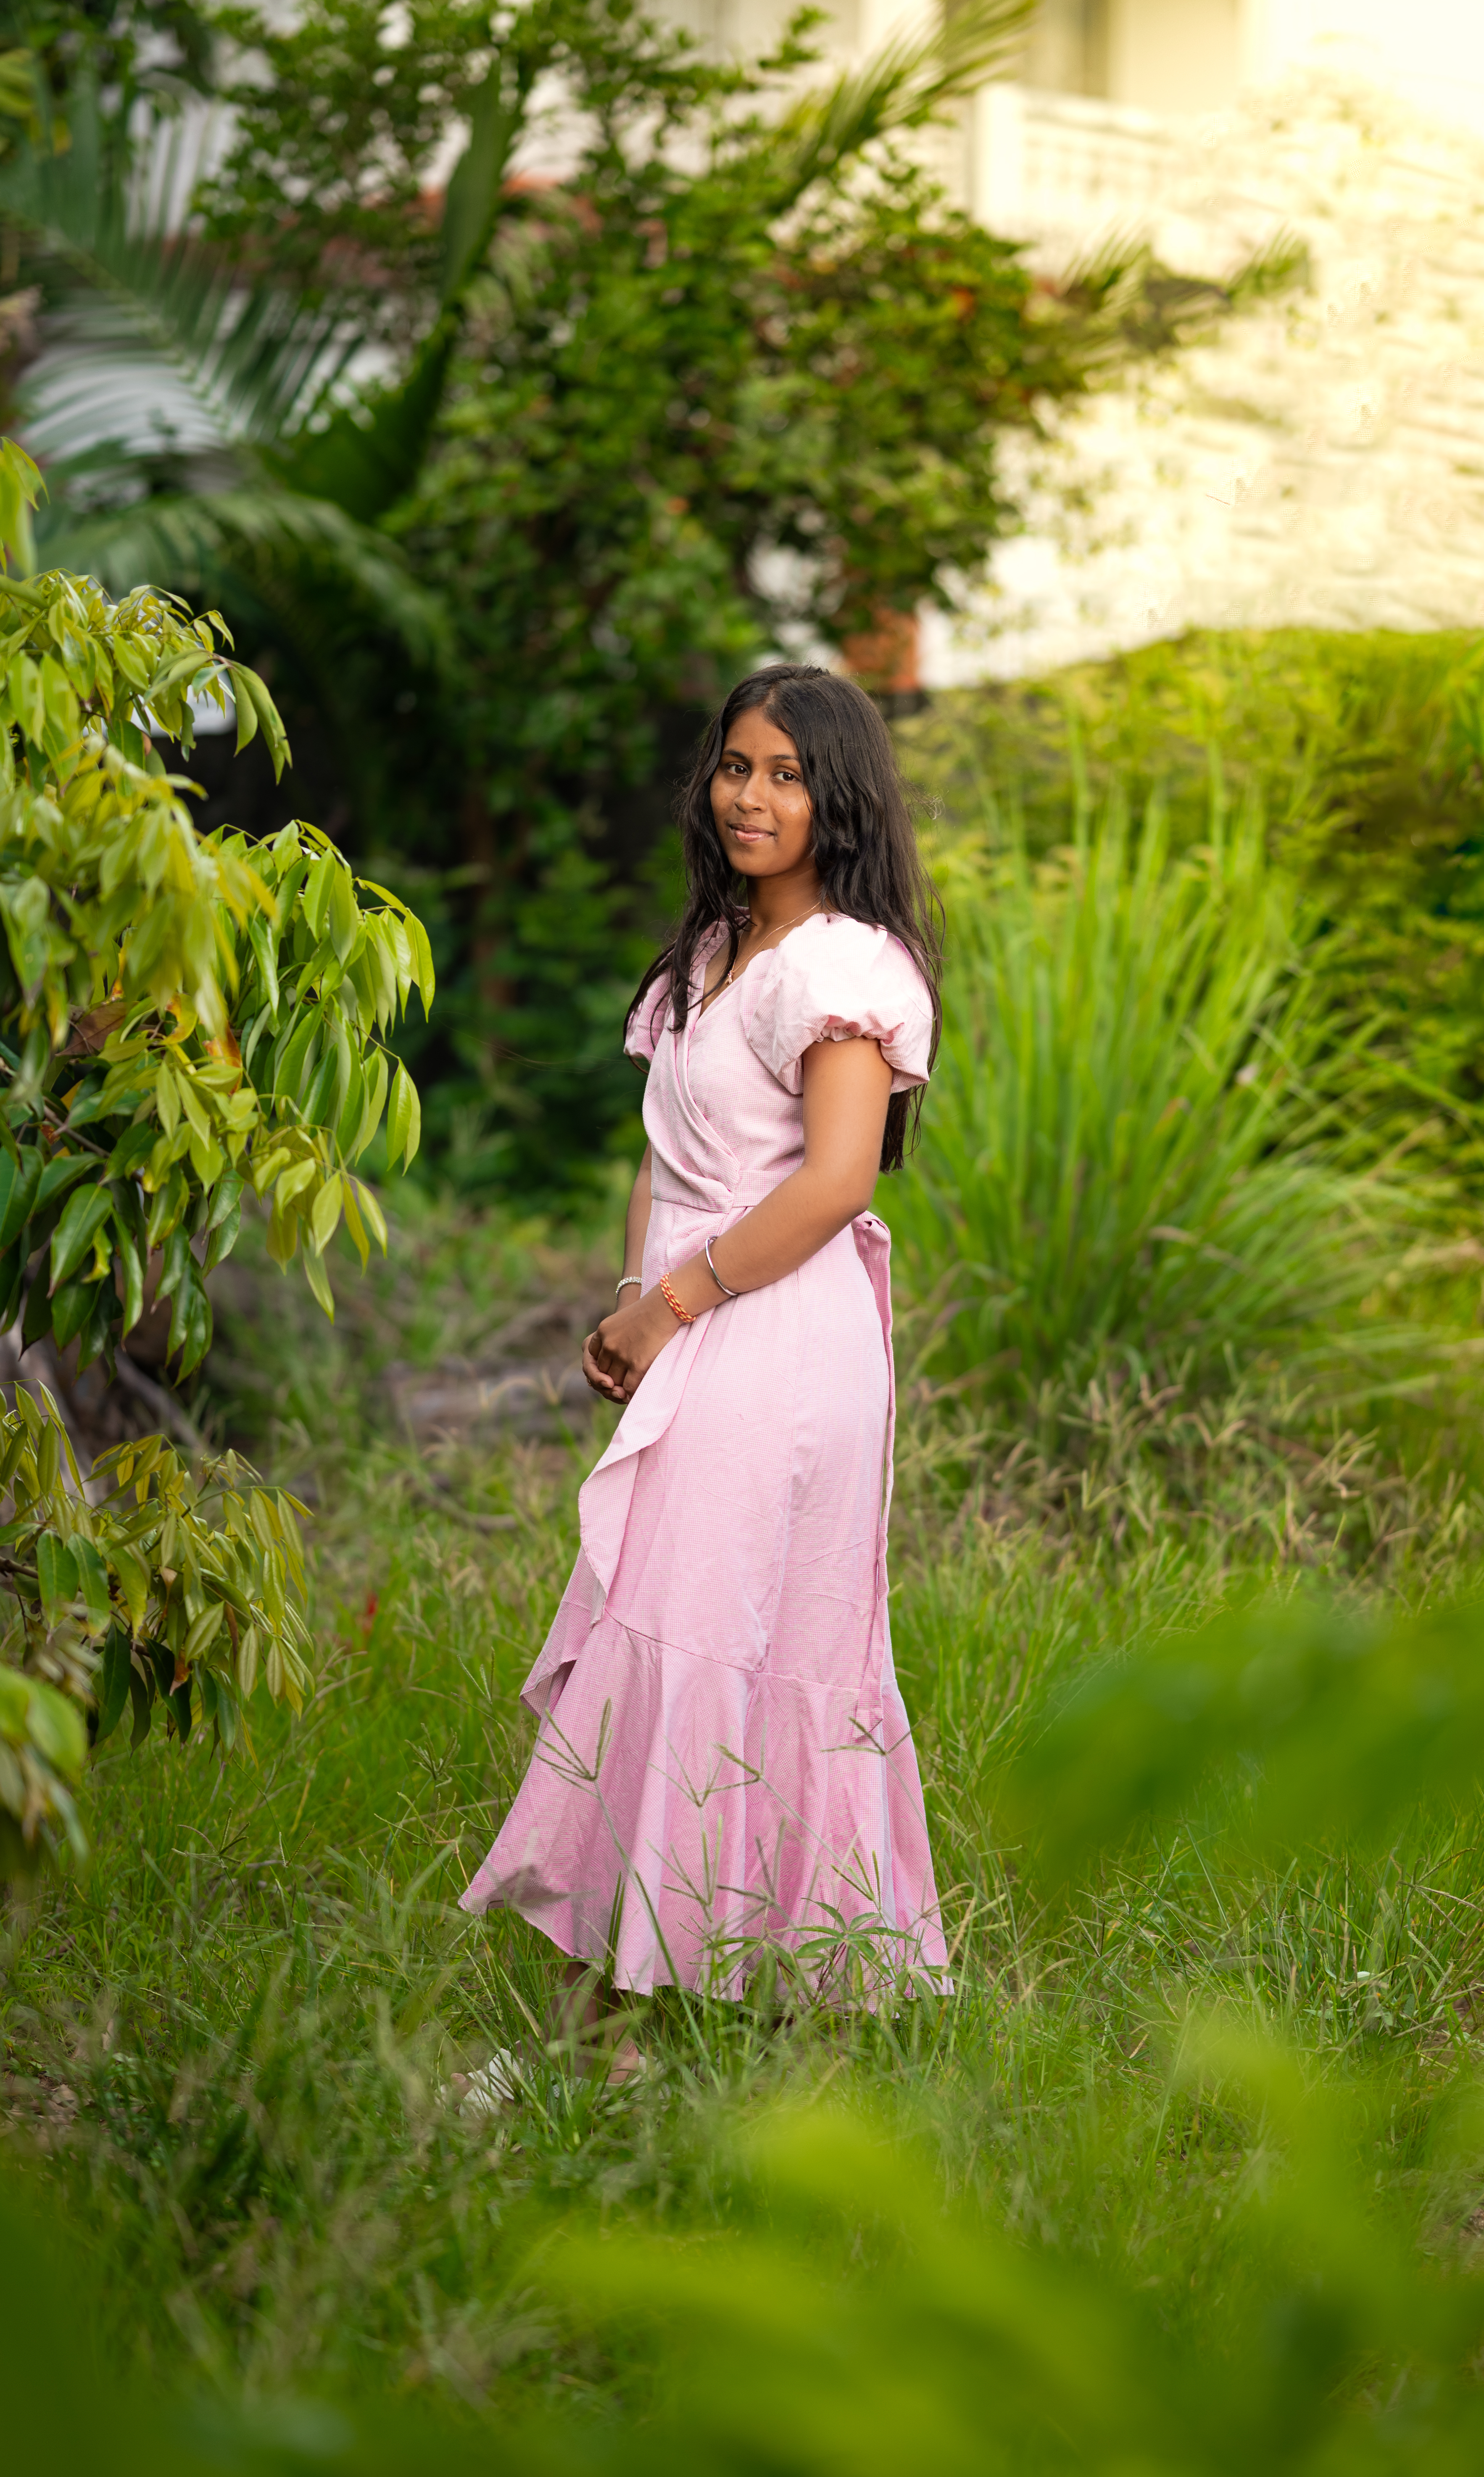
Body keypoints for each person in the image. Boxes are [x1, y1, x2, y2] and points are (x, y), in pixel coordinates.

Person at [457, 664, 950, 2093]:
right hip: (699, 1313)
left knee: (693, 1641)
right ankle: (657, 2021)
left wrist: (674, 1303)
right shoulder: (712, 954)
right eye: (737, 765)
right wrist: (632, 1302)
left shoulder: (843, 967)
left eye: (789, 774)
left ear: (839, 797)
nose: (753, 795)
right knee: (662, 1641)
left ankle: (612, 2040)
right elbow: (662, 1166)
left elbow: (840, 1178)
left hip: (777, 1333)